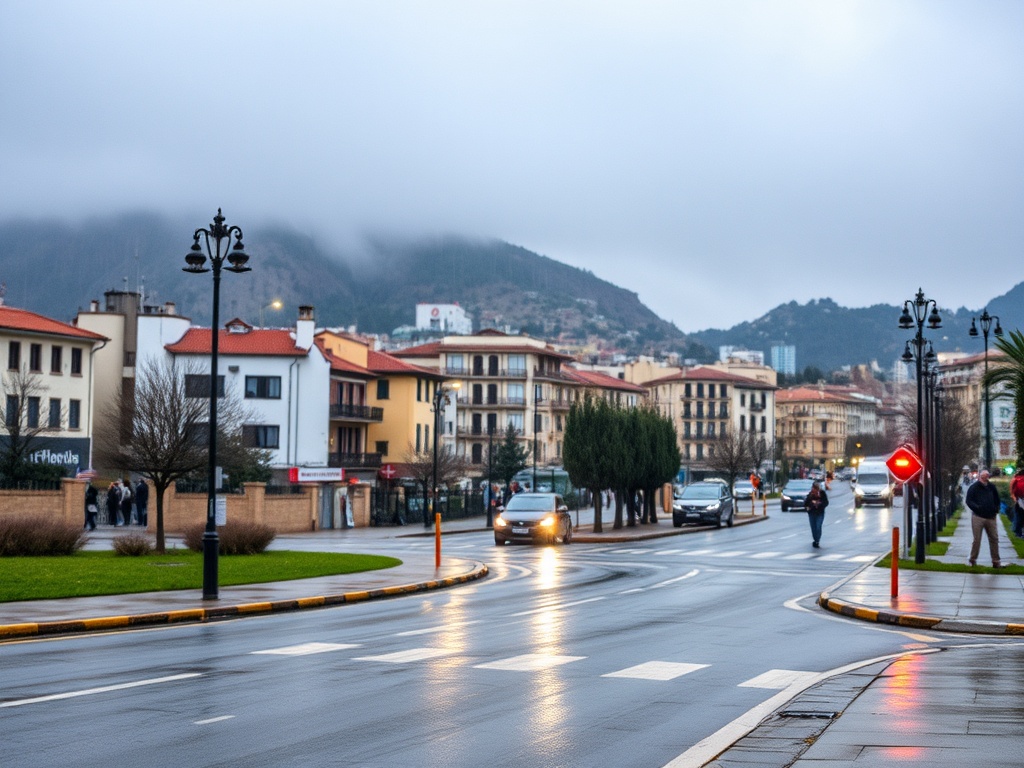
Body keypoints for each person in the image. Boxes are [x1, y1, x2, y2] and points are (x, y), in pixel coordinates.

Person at [965, 469, 1002, 567]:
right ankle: (973, 559)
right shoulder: (974, 487)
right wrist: (977, 508)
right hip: (978, 517)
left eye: (987, 476)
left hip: (991, 516)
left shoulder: (991, 487)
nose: (986, 478)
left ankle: (996, 560)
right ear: (980, 477)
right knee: (977, 539)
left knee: (994, 538)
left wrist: (996, 509)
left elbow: (997, 499)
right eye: (984, 476)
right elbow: (969, 501)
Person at [804, 479, 829, 548]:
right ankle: (815, 540)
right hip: (812, 513)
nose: (814, 490)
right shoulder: (810, 495)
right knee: (813, 527)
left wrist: (820, 504)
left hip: (819, 513)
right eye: (813, 488)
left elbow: (826, 502)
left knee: (818, 526)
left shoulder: (822, 494)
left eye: (816, 488)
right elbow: (806, 503)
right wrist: (810, 505)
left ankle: (817, 540)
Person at [1010, 467, 1024, 539]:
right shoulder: (1017, 479)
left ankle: (1018, 532)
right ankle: (1018, 532)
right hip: (1020, 499)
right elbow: (1012, 490)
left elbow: (1011, 491)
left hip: (1019, 499)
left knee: (1019, 516)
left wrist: (1014, 498)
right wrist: (1014, 498)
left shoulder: (1016, 478)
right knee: (1020, 516)